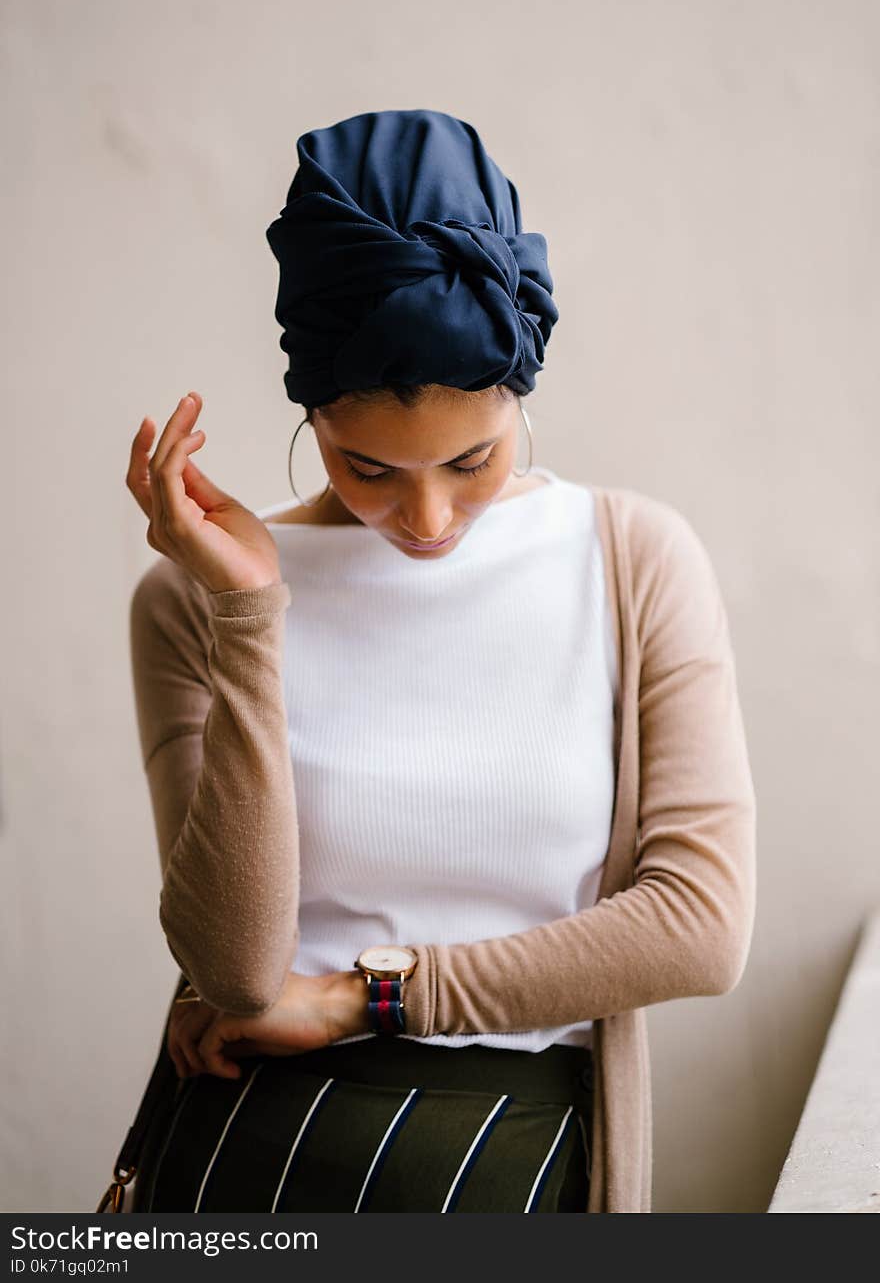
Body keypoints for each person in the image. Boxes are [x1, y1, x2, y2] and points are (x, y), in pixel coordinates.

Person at [122, 109, 756, 1213]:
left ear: (521, 393)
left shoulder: (633, 560)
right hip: (248, 1161)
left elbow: (700, 924)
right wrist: (249, 612)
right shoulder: (195, 596)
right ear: (310, 413)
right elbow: (231, 968)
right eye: (367, 467)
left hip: (514, 1150)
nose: (424, 518)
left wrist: (364, 997)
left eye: (472, 460)